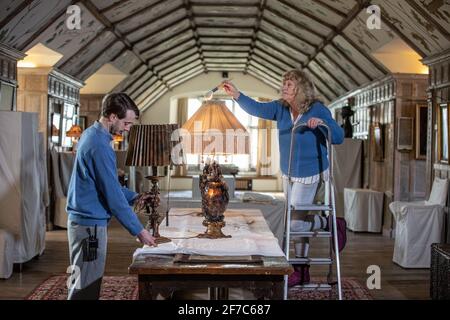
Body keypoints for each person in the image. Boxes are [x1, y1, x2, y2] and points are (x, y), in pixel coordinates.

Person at [222, 70, 344, 287]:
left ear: (301, 88)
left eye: (289, 84)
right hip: (288, 172)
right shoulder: (281, 108)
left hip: (310, 172)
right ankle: (302, 269)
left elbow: (338, 136)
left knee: (295, 224)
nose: (284, 87)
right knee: (299, 220)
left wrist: (323, 125)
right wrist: (237, 95)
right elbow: (257, 108)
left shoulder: (317, 109)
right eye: (284, 83)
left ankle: (327, 223)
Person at [66, 93, 156, 300]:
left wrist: (134, 197)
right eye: (126, 123)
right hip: (90, 227)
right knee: (85, 287)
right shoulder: (99, 145)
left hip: (84, 223)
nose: (128, 128)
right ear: (112, 116)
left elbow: (107, 185)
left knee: (81, 280)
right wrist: (140, 231)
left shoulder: (93, 135)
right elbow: (113, 197)